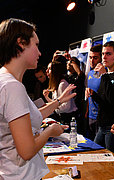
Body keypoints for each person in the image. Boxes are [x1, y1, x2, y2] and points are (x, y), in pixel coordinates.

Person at [0, 18, 76, 179]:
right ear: (21, 43)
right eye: (36, 45)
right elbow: (27, 150)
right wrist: (50, 131)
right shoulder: (12, 86)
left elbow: (31, 116)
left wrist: (58, 100)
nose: (40, 53)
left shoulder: (6, 81)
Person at [43, 60, 77, 125]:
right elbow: (57, 103)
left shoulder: (62, 84)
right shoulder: (56, 84)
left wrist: (51, 108)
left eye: (49, 69)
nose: (46, 71)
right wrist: (47, 98)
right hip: (62, 118)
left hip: (69, 119)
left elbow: (66, 107)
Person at [85, 44, 105, 140]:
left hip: (102, 117)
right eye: (90, 57)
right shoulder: (90, 73)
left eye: (95, 58)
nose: (92, 61)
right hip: (90, 116)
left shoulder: (106, 74)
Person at [67, 57, 86, 135]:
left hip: (78, 107)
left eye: (72, 62)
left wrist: (75, 65)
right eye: (68, 62)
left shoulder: (78, 76)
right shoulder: (66, 77)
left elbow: (81, 76)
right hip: (67, 108)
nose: (69, 63)